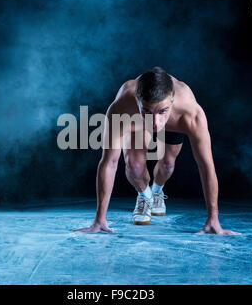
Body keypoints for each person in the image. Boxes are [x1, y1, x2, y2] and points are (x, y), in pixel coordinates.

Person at [74, 67, 240, 235]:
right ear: (137, 101)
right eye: (147, 111)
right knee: (134, 167)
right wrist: (99, 220)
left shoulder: (191, 114)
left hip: (174, 121)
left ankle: (157, 191)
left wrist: (213, 219)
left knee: (168, 166)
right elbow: (109, 163)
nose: (155, 123)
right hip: (135, 121)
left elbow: (206, 166)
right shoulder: (121, 108)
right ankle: (145, 196)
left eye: (162, 111)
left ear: (172, 101)